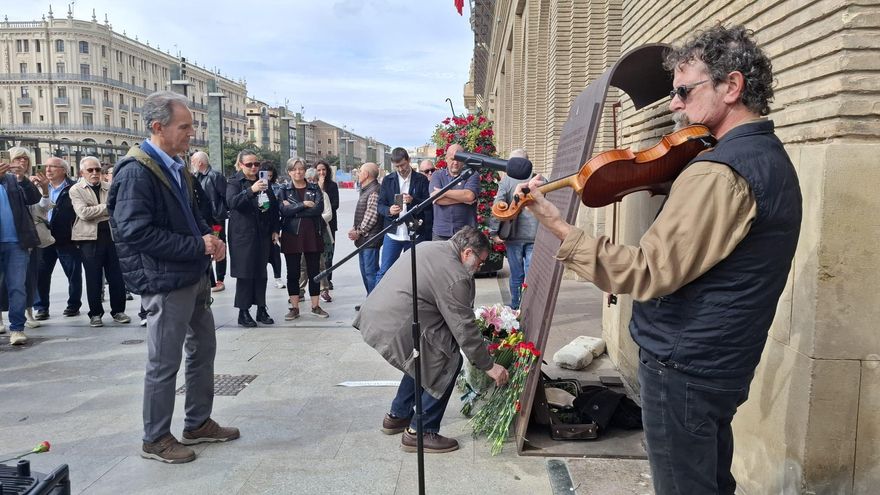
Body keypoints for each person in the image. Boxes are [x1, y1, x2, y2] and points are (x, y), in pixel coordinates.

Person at [519, 25, 801, 494]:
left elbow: (644, 272)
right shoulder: (769, 156)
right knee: (708, 479)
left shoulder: (719, 173)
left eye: (684, 91)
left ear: (732, 87)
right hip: (720, 359)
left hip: (685, 366)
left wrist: (557, 226)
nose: (674, 105)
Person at [108, 90, 238, 464]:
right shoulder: (136, 171)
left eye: (192, 126)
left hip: (191, 275)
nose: (191, 134)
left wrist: (211, 240)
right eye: (184, 127)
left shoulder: (176, 165)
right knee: (164, 362)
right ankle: (155, 438)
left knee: (203, 349)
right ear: (157, 127)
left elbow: (190, 213)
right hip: (165, 281)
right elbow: (135, 231)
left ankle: (197, 423)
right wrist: (197, 246)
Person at [354, 226, 509, 453]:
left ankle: (397, 415)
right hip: (397, 323)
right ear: (467, 253)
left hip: (380, 315)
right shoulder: (455, 275)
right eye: (480, 262)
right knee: (447, 359)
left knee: (423, 354)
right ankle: (421, 431)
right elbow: (463, 328)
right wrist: (488, 365)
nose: (479, 267)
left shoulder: (431, 246)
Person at [69, 156, 130, 327]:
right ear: (82, 172)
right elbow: (83, 213)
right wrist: (106, 207)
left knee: (116, 276)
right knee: (93, 278)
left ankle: (118, 311)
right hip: (89, 239)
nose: (95, 173)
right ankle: (95, 314)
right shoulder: (76, 190)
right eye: (90, 170)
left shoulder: (110, 188)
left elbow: (118, 210)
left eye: (98, 169)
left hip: (111, 237)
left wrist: (100, 209)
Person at [226, 150, 279, 327]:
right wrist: (251, 190)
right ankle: (243, 311)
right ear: (241, 165)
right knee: (245, 273)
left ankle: (261, 308)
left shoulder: (264, 181)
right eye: (249, 164)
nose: (254, 167)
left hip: (262, 234)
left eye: (256, 164)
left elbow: (273, 207)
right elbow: (232, 203)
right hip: (243, 236)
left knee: (261, 272)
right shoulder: (234, 182)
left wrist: (275, 229)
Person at [0, 148, 41, 345]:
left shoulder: (14, 179)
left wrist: (22, 177)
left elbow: (33, 198)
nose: (21, 162)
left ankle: (17, 329)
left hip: (17, 242)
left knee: (17, 286)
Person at [278, 159, 328, 319]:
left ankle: (315, 306)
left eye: (301, 169)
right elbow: (283, 211)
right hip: (291, 235)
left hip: (312, 234)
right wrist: (304, 205)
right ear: (289, 172)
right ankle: (294, 308)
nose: (298, 172)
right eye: (294, 169)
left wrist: (293, 208)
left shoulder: (314, 188)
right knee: (292, 273)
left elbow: (318, 209)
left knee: (314, 271)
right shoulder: (284, 190)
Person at [34, 157, 82, 319]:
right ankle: (41, 307)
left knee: (73, 273)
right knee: (42, 274)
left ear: (64, 170)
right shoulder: (37, 187)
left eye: (53, 166)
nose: (48, 170)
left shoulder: (74, 187)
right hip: (44, 237)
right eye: (46, 166)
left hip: (66, 238)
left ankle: (73, 305)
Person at [489, 149, 537, 310]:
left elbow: (497, 207)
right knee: (531, 275)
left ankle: (517, 307)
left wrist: (494, 232)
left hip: (514, 235)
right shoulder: (538, 179)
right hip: (536, 235)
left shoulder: (507, 182)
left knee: (516, 275)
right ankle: (531, 308)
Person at [374, 148, 430, 285]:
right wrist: (389, 210)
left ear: (409, 161)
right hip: (393, 233)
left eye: (403, 165)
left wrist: (413, 200)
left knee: (413, 273)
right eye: (397, 166)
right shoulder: (388, 180)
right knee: (385, 270)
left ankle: (409, 304)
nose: (400, 169)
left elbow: (428, 204)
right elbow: (380, 205)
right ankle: (375, 303)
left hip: (415, 233)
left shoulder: (421, 179)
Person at [191, 151, 229, 292]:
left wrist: (221, 213)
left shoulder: (215, 176)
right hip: (203, 219)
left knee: (218, 244)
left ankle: (220, 279)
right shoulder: (196, 177)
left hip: (215, 220)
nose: (192, 164)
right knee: (207, 247)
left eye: (193, 161)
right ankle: (211, 279)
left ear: (200, 163)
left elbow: (225, 196)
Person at [297, 167, 334, 303]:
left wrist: (314, 218)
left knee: (320, 263)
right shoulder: (300, 194)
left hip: (319, 232)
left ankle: (324, 290)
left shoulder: (323, 194)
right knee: (302, 263)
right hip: (303, 233)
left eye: (315, 180)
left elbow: (328, 214)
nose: (312, 182)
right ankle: (300, 290)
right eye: (309, 180)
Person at [430, 143, 480, 240]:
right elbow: (437, 199)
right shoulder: (437, 175)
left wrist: (443, 192)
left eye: (459, 159)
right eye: (452, 159)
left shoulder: (472, 174)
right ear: (446, 159)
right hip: (441, 233)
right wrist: (463, 198)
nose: (456, 163)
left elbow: (469, 196)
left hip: (466, 233)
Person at [348, 162, 382, 299]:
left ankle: (374, 302)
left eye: (360, 171)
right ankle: (370, 299)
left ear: (366, 174)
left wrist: (359, 231)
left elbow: (371, 217)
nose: (358, 174)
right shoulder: (367, 189)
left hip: (370, 239)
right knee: (365, 271)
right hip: (365, 239)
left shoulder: (374, 191)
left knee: (370, 272)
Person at [259, 162, 286, 290]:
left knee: (275, 254)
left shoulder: (276, 187)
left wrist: (276, 229)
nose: (268, 179)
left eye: (270, 176)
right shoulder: (257, 187)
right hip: (260, 227)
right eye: (266, 175)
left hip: (272, 225)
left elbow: (275, 209)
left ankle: (277, 277)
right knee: (261, 256)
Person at [315, 160, 339, 299]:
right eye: (318, 170)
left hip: (329, 224)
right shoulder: (311, 185)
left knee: (329, 253)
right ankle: (318, 279)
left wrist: (323, 188)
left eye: (323, 170)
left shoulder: (332, 186)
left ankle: (328, 279)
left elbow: (335, 205)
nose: (321, 173)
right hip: (314, 225)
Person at [416, 159, 435, 243]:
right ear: (421, 172)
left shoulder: (439, 183)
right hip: (421, 227)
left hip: (435, 227)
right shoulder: (416, 185)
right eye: (427, 171)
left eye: (432, 170)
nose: (430, 173)